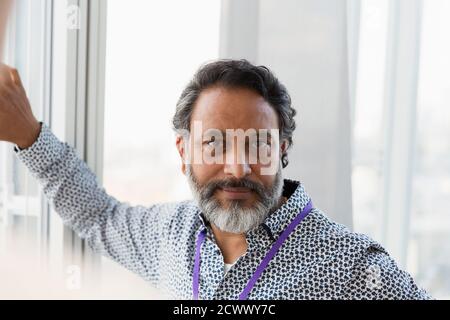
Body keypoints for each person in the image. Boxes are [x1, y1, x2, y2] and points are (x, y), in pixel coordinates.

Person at [0, 59, 431, 299]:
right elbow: (98, 216)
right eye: (216, 145)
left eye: (257, 145)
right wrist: (27, 135)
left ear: (282, 151)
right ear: (184, 152)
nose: (237, 169)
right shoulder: (170, 235)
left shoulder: (352, 268)